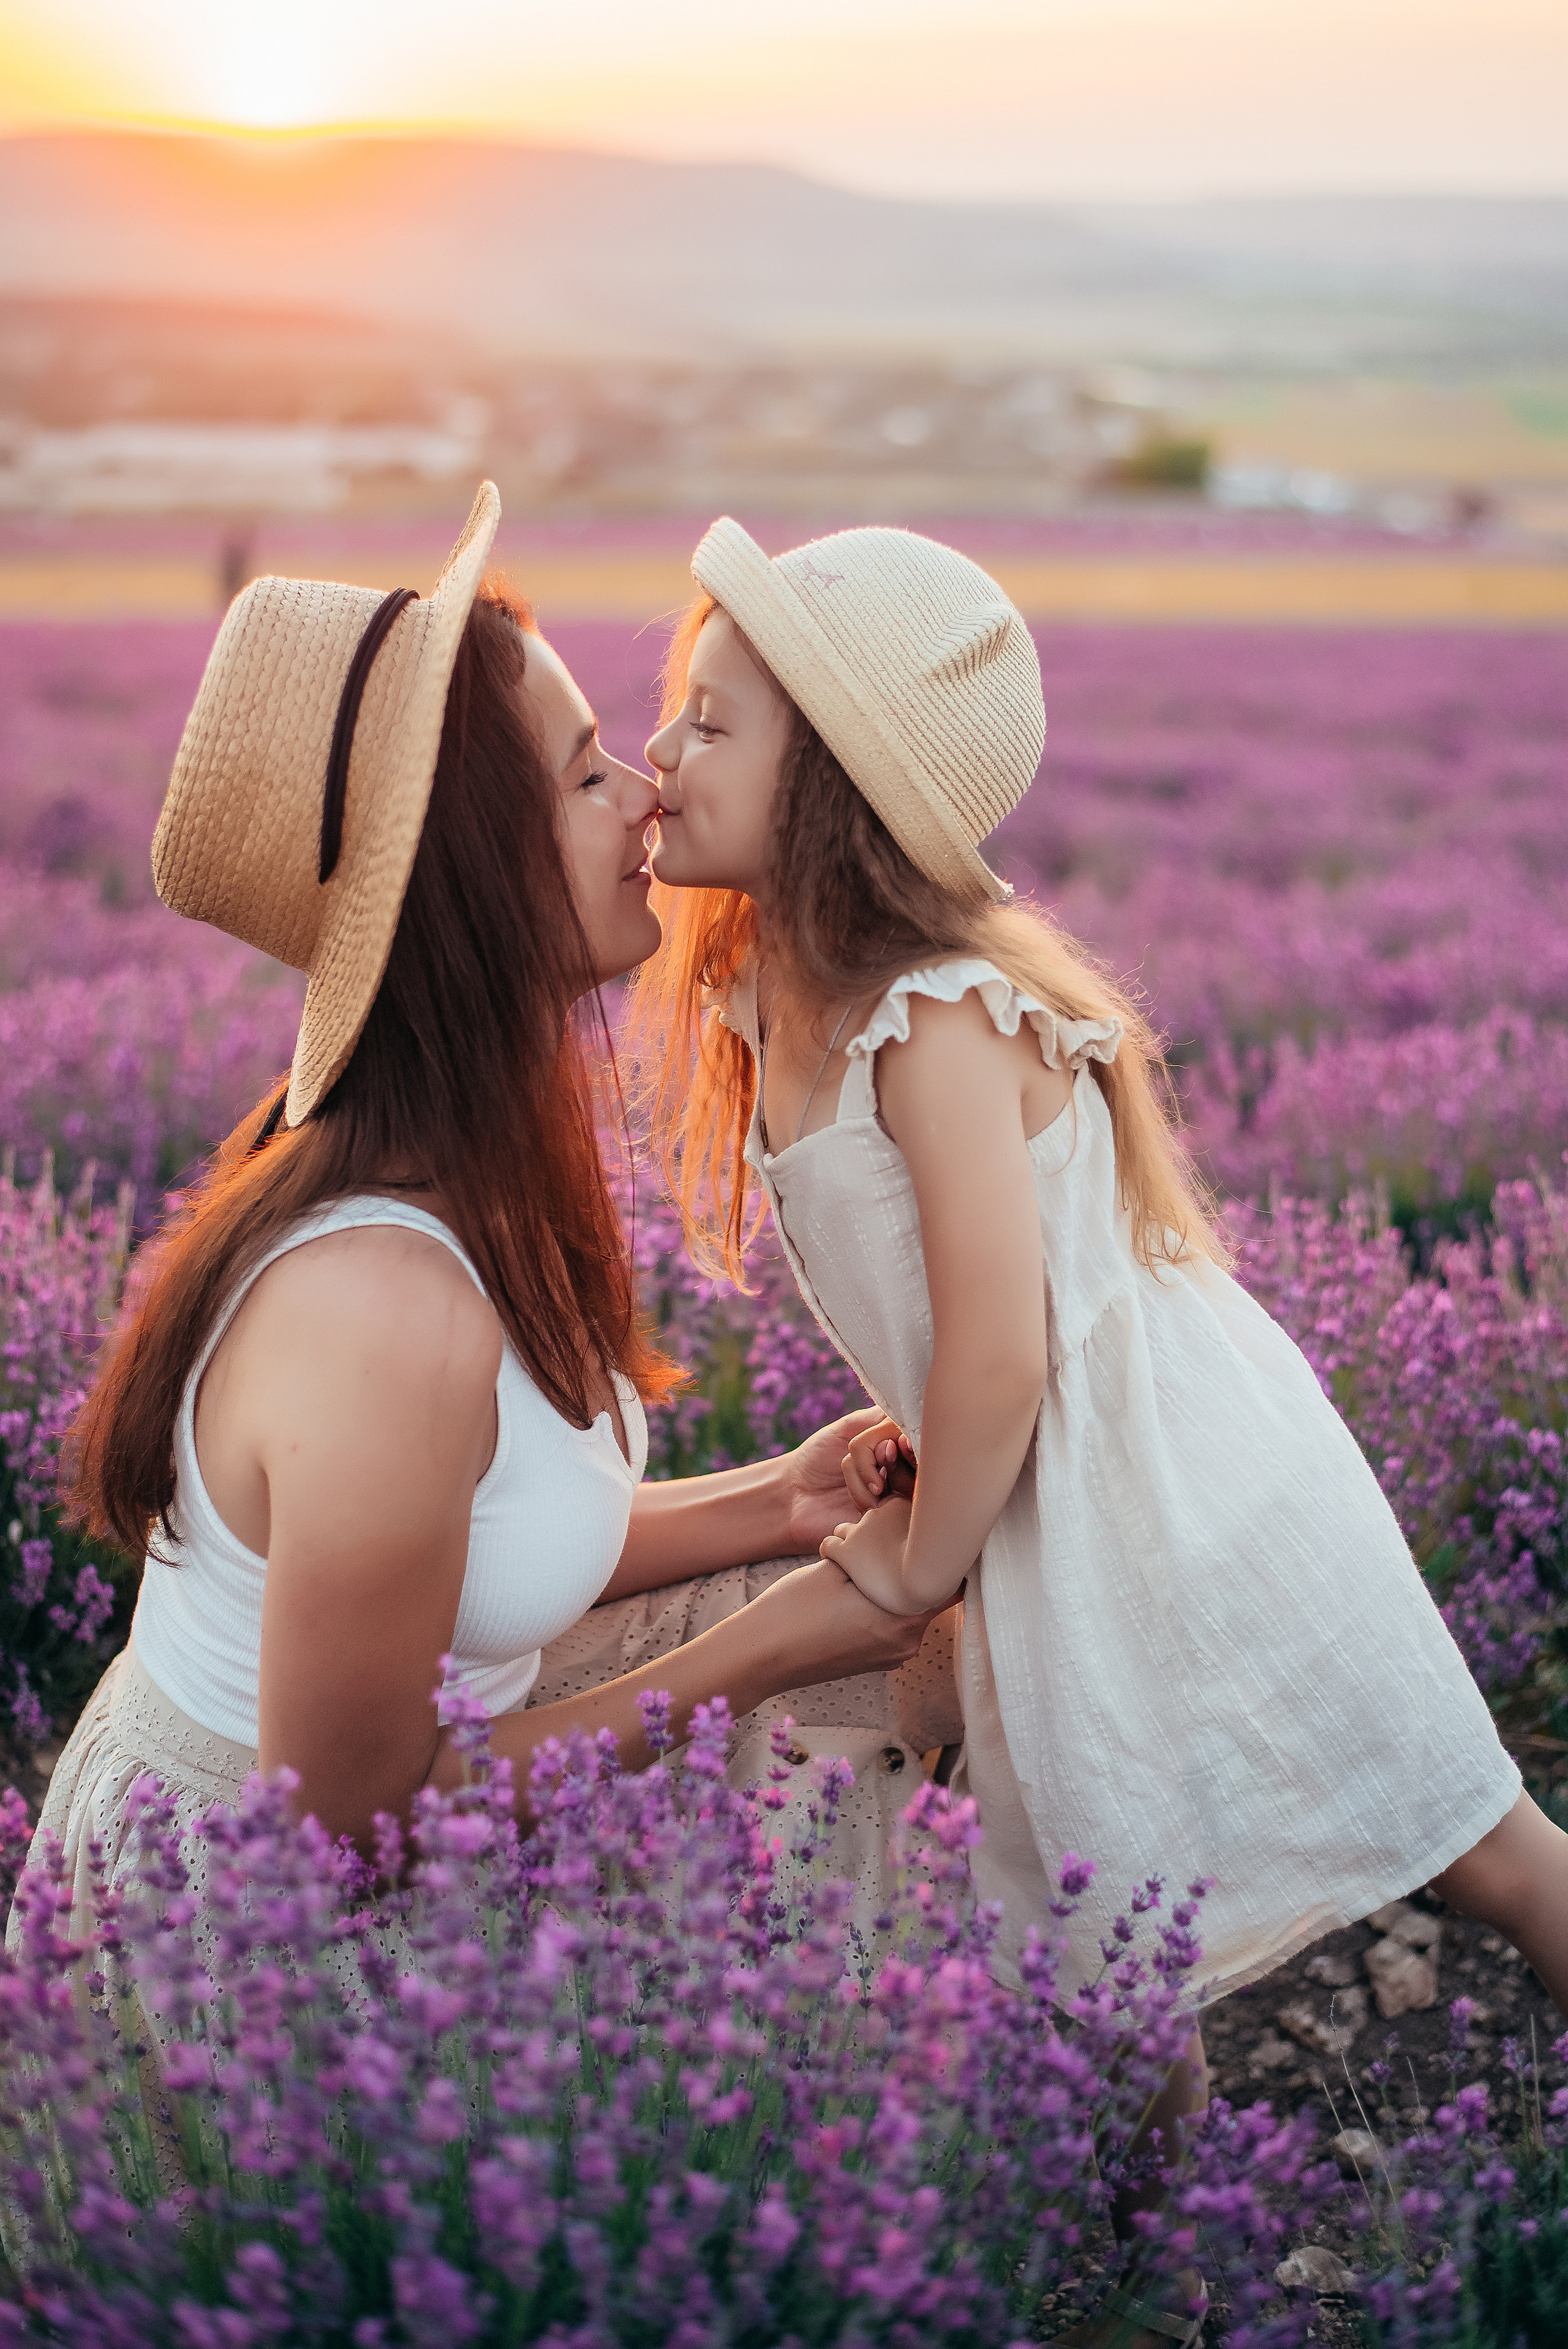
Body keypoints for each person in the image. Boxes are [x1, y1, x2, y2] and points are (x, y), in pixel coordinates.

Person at [628, 515, 1568, 2349]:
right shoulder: (776, 994)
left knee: (1476, 1838)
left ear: (829, 789)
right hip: (1054, 1497)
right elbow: (953, 1354)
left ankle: (1161, 2272)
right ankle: (1166, 2285)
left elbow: (999, 1359)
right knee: (1094, 1921)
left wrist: (919, 1554)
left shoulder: (936, 1019)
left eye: (712, 724)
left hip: (1179, 1481)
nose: (663, 752)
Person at [15, 484, 946, 1982]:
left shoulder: (453, 1172)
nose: (647, 790)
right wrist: (790, 1631)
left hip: (355, 1808)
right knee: (879, 1673)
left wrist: (779, 1502)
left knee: (921, 1641)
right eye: (585, 778)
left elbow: (476, 1560)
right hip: (247, 1951)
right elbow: (356, 1830)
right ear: (470, 876)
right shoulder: (380, 1310)